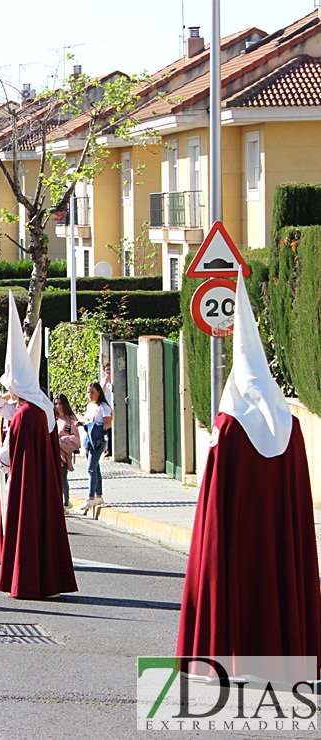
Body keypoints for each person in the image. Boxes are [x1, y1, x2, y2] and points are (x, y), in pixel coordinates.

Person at [177, 274, 320, 682]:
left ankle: (229, 656)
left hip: (235, 536)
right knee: (279, 573)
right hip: (277, 536)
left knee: (234, 581)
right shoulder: (290, 425)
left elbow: (214, 499)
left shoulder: (227, 426)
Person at [0, 293, 77, 600]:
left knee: (26, 526)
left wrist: (2, 460)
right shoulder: (39, 411)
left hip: (25, 484)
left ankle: (26, 579)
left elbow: (14, 452)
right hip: (41, 482)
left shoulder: (26, 415)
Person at [77, 381, 111, 512]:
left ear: (98, 393)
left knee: (91, 469)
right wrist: (83, 424)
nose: (90, 395)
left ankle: (90, 497)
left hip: (98, 440)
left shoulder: (103, 407)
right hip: (89, 440)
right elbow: (87, 420)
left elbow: (108, 423)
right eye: (88, 392)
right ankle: (99, 495)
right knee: (96, 468)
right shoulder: (90, 406)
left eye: (93, 392)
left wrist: (94, 426)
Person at [53, 394, 80, 509]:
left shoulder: (70, 419)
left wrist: (60, 440)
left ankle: (65, 503)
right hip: (53, 452)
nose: (58, 406)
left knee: (63, 477)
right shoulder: (53, 418)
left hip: (64, 453)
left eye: (60, 403)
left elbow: (75, 437)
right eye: (56, 403)